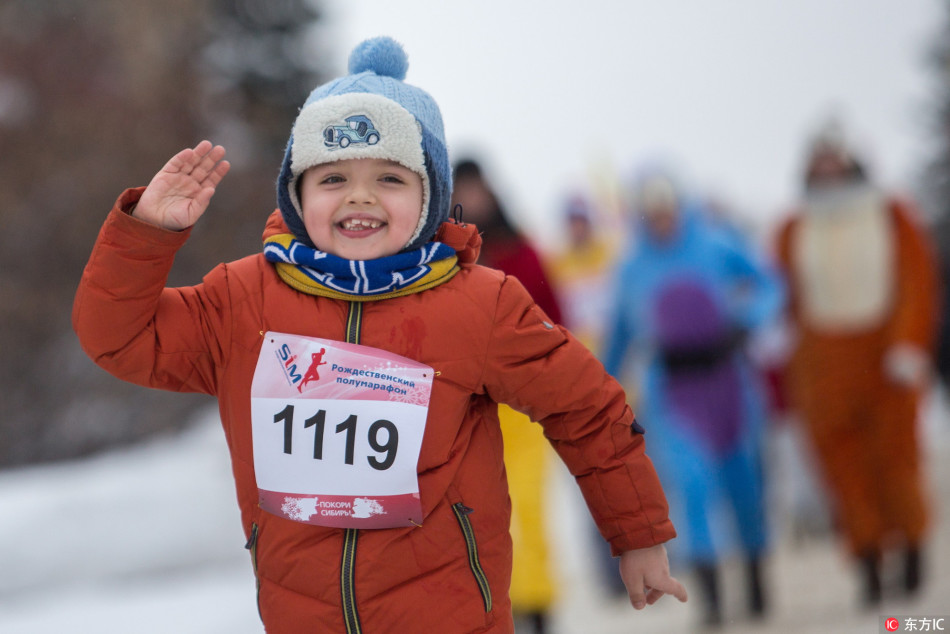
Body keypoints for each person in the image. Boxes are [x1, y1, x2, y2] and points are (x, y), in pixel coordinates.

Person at [72, 37, 687, 633]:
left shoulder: (481, 304)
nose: (359, 196)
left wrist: (638, 533)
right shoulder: (241, 302)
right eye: (332, 178)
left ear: (430, 196)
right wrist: (146, 233)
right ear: (296, 193)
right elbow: (119, 338)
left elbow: (585, 407)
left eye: (389, 179)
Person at [602, 169, 783, 626]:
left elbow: (770, 283)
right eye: (652, 212)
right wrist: (599, 393)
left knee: (745, 488)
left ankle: (757, 580)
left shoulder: (715, 243)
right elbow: (619, 339)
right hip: (674, 393)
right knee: (693, 488)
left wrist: (748, 319)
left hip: (728, 385)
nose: (661, 220)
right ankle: (713, 598)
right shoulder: (631, 268)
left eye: (667, 210)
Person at [774, 121, 939, 607]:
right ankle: (867, 560)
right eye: (819, 164)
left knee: (896, 461)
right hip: (825, 360)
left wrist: (909, 343)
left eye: (835, 162)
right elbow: (782, 296)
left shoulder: (890, 214)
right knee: (844, 470)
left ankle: (911, 544)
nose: (828, 172)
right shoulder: (793, 227)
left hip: (884, 355)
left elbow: (918, 281)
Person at [451, 157, 563, 634]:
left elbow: (556, 323)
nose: (474, 200)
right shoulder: (444, 259)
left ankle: (538, 614)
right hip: (466, 409)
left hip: (521, 407)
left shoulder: (522, 253)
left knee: (527, 512)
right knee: (475, 519)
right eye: (464, 191)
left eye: (479, 189)